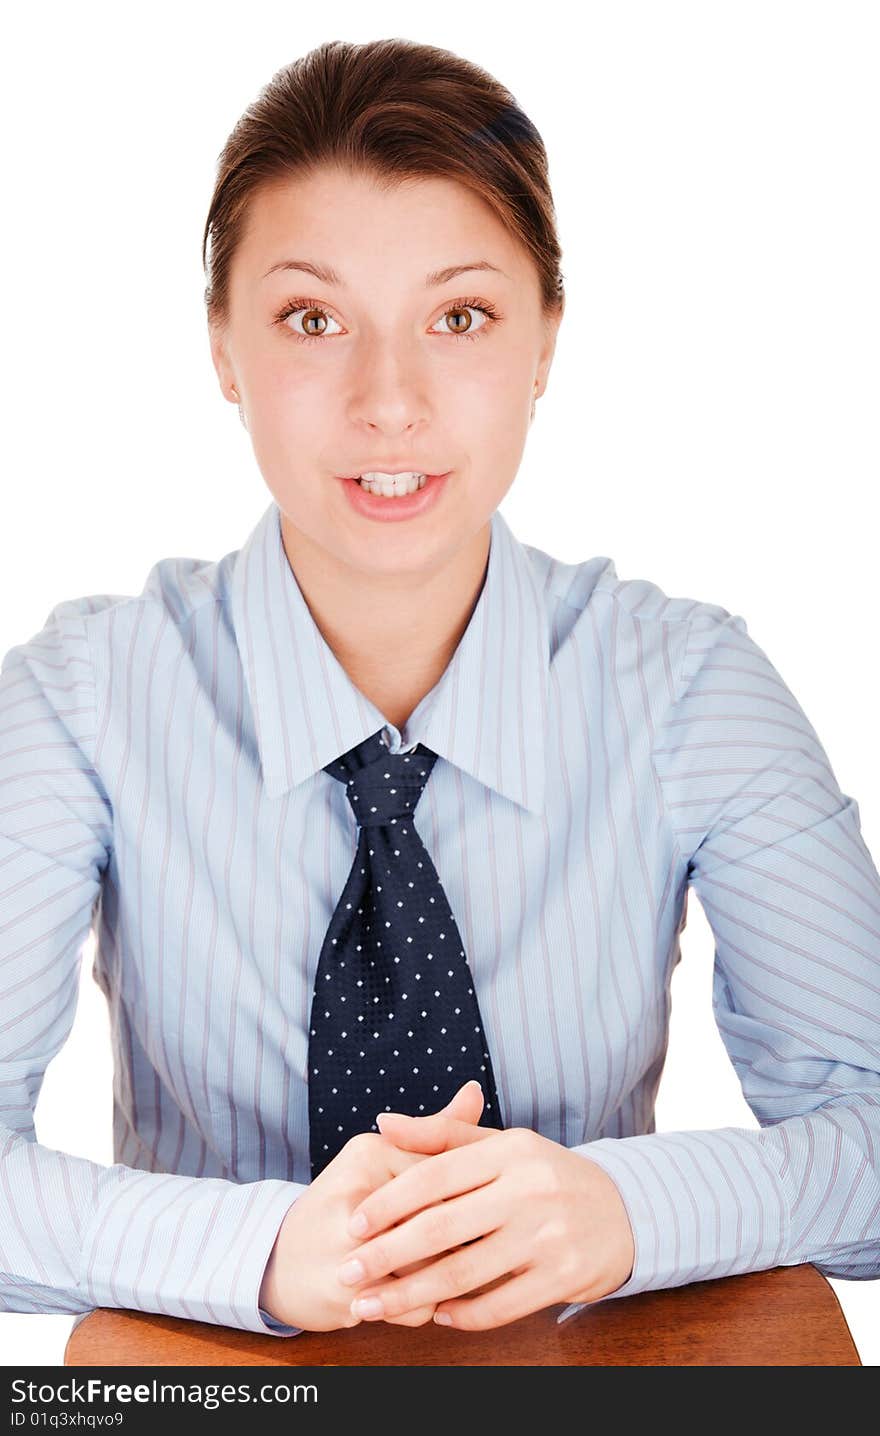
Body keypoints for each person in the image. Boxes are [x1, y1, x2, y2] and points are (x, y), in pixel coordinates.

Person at [1, 36, 878, 1346]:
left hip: (587, 1371)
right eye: (313, 319)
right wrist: (263, 1248)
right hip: (218, 1373)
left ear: (544, 344)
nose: (389, 402)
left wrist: (626, 1212)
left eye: (458, 318)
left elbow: (867, 1126)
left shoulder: (690, 686)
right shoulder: (84, 698)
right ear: (224, 351)